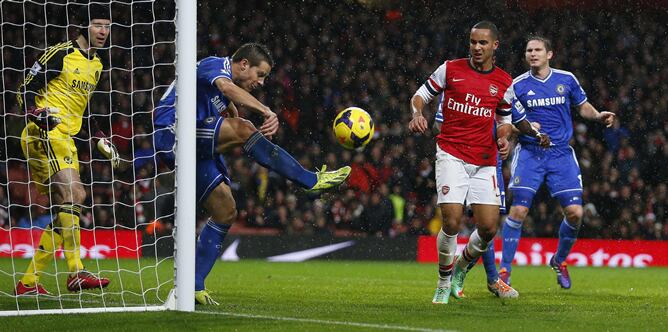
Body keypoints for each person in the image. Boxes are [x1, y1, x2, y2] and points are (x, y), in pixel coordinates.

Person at [152, 43, 351, 305]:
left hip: (194, 143)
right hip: (172, 132)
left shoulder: (224, 94)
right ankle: (310, 181)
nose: (262, 82)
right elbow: (227, 90)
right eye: (260, 74)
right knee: (244, 128)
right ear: (244, 64)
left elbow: (229, 109)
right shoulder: (215, 65)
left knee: (225, 209)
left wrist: (243, 124)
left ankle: (193, 286)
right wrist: (265, 111)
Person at [409, 21, 547, 304]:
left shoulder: (503, 82)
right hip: (451, 153)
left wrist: (506, 137)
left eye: (483, 43)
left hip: (484, 160)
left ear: (494, 45)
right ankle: (443, 282)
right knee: (452, 220)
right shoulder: (450, 69)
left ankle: (461, 268)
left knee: (487, 228)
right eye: (473, 42)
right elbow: (420, 96)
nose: (476, 47)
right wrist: (416, 113)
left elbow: (506, 121)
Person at [14, 4, 118, 296]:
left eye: (107, 26)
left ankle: (28, 283)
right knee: (76, 195)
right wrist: (37, 113)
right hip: (44, 132)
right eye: (98, 24)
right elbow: (23, 89)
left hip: (67, 137)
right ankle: (75, 272)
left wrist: (98, 136)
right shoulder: (60, 53)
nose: (103, 31)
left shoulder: (97, 66)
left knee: (65, 208)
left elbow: (83, 111)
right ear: (85, 27)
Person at [499, 35, 615, 289]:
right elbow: (506, 121)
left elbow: (582, 107)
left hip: (561, 153)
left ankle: (559, 260)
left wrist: (597, 115)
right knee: (518, 210)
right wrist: (527, 130)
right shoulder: (516, 85)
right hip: (530, 154)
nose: (532, 54)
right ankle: (505, 270)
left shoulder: (566, 79)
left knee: (575, 213)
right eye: (529, 50)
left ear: (549, 54)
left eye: (538, 50)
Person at [432, 113, 548, 299]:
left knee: (489, 225)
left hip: (492, 162)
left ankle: (468, 272)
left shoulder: (502, 88)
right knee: (464, 221)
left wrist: (509, 134)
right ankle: (490, 279)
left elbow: (507, 120)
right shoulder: (457, 86)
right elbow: (440, 123)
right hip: (461, 159)